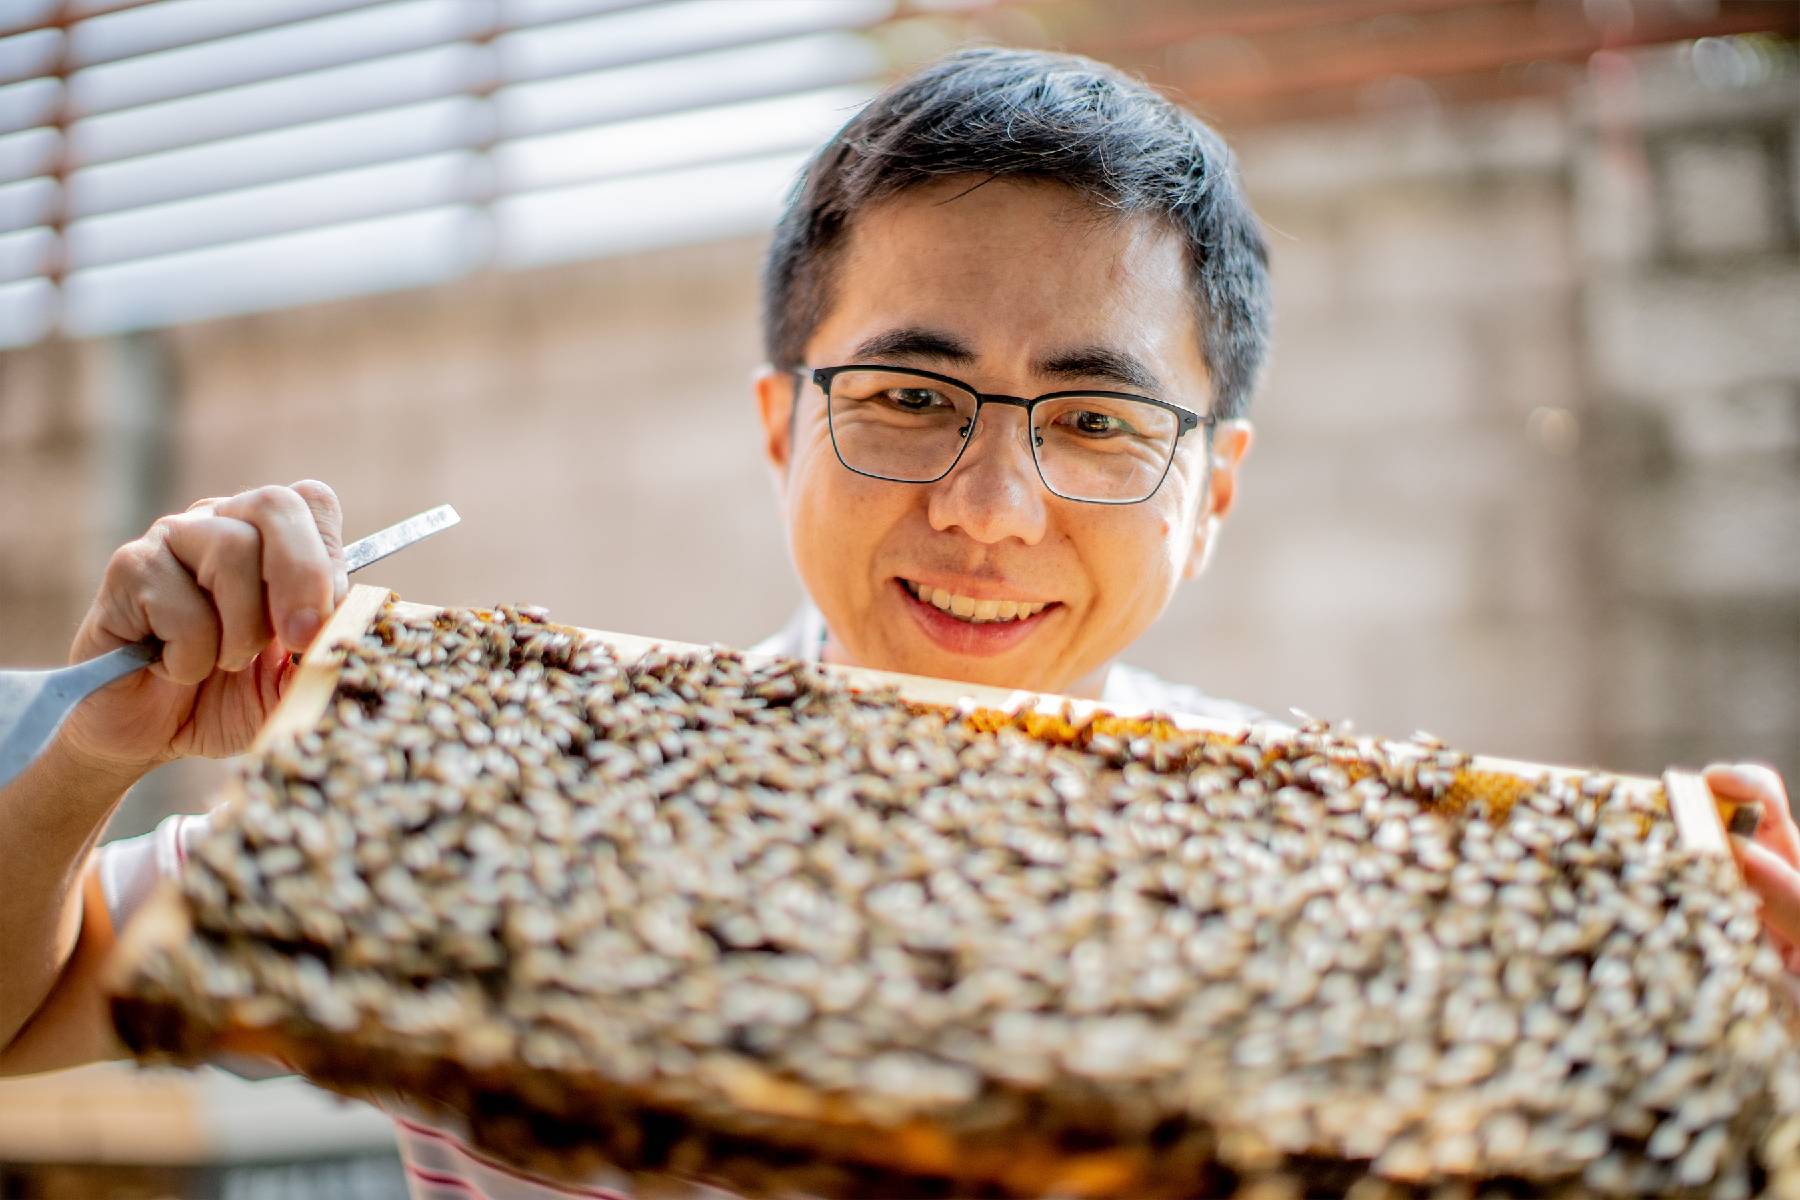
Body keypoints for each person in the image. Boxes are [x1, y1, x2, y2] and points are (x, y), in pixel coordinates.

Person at [2, 46, 1795, 1200]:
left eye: (1096, 422)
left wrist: (1739, 1029)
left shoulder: (1370, 909)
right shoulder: (500, 823)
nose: (989, 511)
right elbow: (30, 1013)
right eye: (910, 398)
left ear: (1212, 491)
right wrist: (88, 758)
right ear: (783, 421)